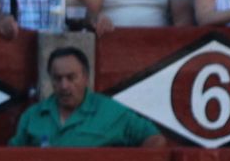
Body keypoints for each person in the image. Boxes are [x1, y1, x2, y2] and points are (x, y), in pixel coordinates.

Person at [11, 46, 167, 147]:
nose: (64, 85)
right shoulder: (33, 116)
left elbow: (155, 140)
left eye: (71, 78)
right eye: (58, 78)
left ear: (86, 77)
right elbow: (11, 159)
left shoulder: (111, 111)